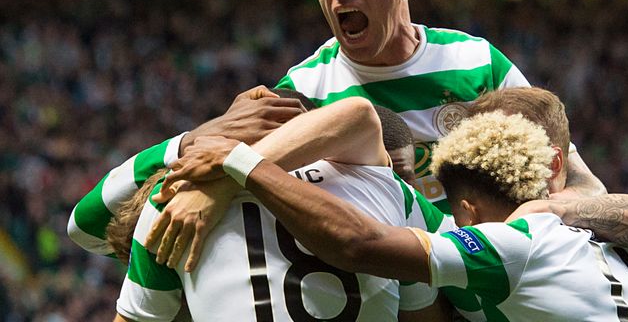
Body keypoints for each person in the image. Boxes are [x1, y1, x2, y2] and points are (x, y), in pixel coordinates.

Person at [166, 87, 628, 321]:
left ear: (465, 208)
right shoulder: (616, 240)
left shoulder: (505, 245)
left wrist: (240, 163)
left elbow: (357, 242)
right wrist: (559, 205)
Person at [273, 0, 604, 211]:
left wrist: (530, 219)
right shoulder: (304, 88)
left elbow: (582, 184)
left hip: (478, 270)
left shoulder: (476, 62)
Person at [110, 94, 454, 321]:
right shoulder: (389, 189)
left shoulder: (173, 207)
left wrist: (208, 160)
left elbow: (80, 226)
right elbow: (358, 115)